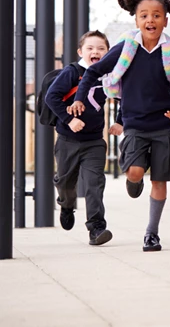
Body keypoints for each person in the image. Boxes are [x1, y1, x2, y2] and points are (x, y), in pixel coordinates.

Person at [70, 0, 170, 253]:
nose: (150, 20)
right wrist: (79, 98)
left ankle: (152, 234)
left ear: (165, 21)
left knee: (159, 180)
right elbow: (93, 71)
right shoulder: (127, 47)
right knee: (136, 172)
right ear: (136, 19)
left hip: (163, 124)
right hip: (135, 124)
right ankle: (133, 180)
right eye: (144, 15)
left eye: (156, 15)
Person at [46, 30, 120, 246]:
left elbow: (125, 95)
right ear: (81, 52)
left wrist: (121, 121)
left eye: (101, 49)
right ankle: (66, 205)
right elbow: (52, 96)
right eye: (90, 48)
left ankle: (96, 228)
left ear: (107, 53)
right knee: (65, 182)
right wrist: (69, 120)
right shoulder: (73, 72)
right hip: (68, 140)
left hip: (95, 141)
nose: (95, 52)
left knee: (94, 184)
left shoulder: (110, 74)